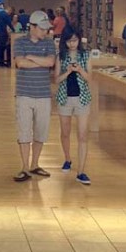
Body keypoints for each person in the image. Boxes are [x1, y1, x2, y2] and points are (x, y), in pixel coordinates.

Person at [12, 10, 56, 182]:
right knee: (24, 131)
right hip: (24, 94)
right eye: (42, 28)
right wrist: (40, 61)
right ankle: (24, 167)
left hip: (44, 94)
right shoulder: (20, 41)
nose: (45, 32)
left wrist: (30, 57)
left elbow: (50, 62)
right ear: (32, 26)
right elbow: (20, 63)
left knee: (41, 131)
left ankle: (35, 164)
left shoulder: (50, 43)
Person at [55, 25, 92, 185]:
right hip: (64, 98)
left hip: (82, 99)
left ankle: (81, 171)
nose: (72, 44)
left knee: (83, 135)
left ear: (79, 40)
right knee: (65, 132)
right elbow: (56, 80)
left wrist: (80, 70)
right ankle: (68, 159)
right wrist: (68, 71)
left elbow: (89, 78)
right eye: (69, 41)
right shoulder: (60, 56)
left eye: (75, 41)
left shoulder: (85, 55)